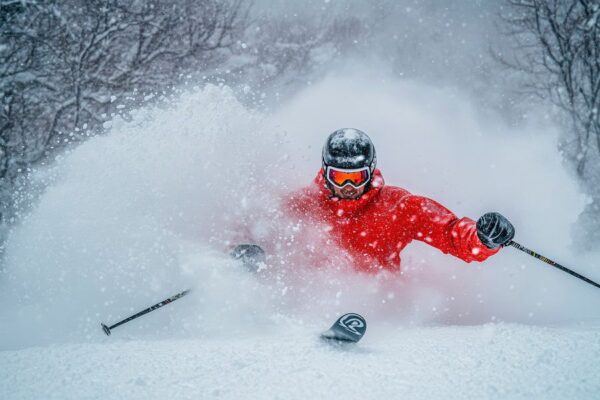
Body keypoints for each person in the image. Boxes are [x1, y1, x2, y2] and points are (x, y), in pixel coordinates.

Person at [233, 128, 515, 273]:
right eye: (338, 177)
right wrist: (248, 249)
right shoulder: (305, 203)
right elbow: (264, 225)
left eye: (354, 178)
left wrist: (482, 239)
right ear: (324, 171)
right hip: (311, 303)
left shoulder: (399, 206)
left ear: (369, 172)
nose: (346, 187)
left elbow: (450, 233)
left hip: (380, 307)